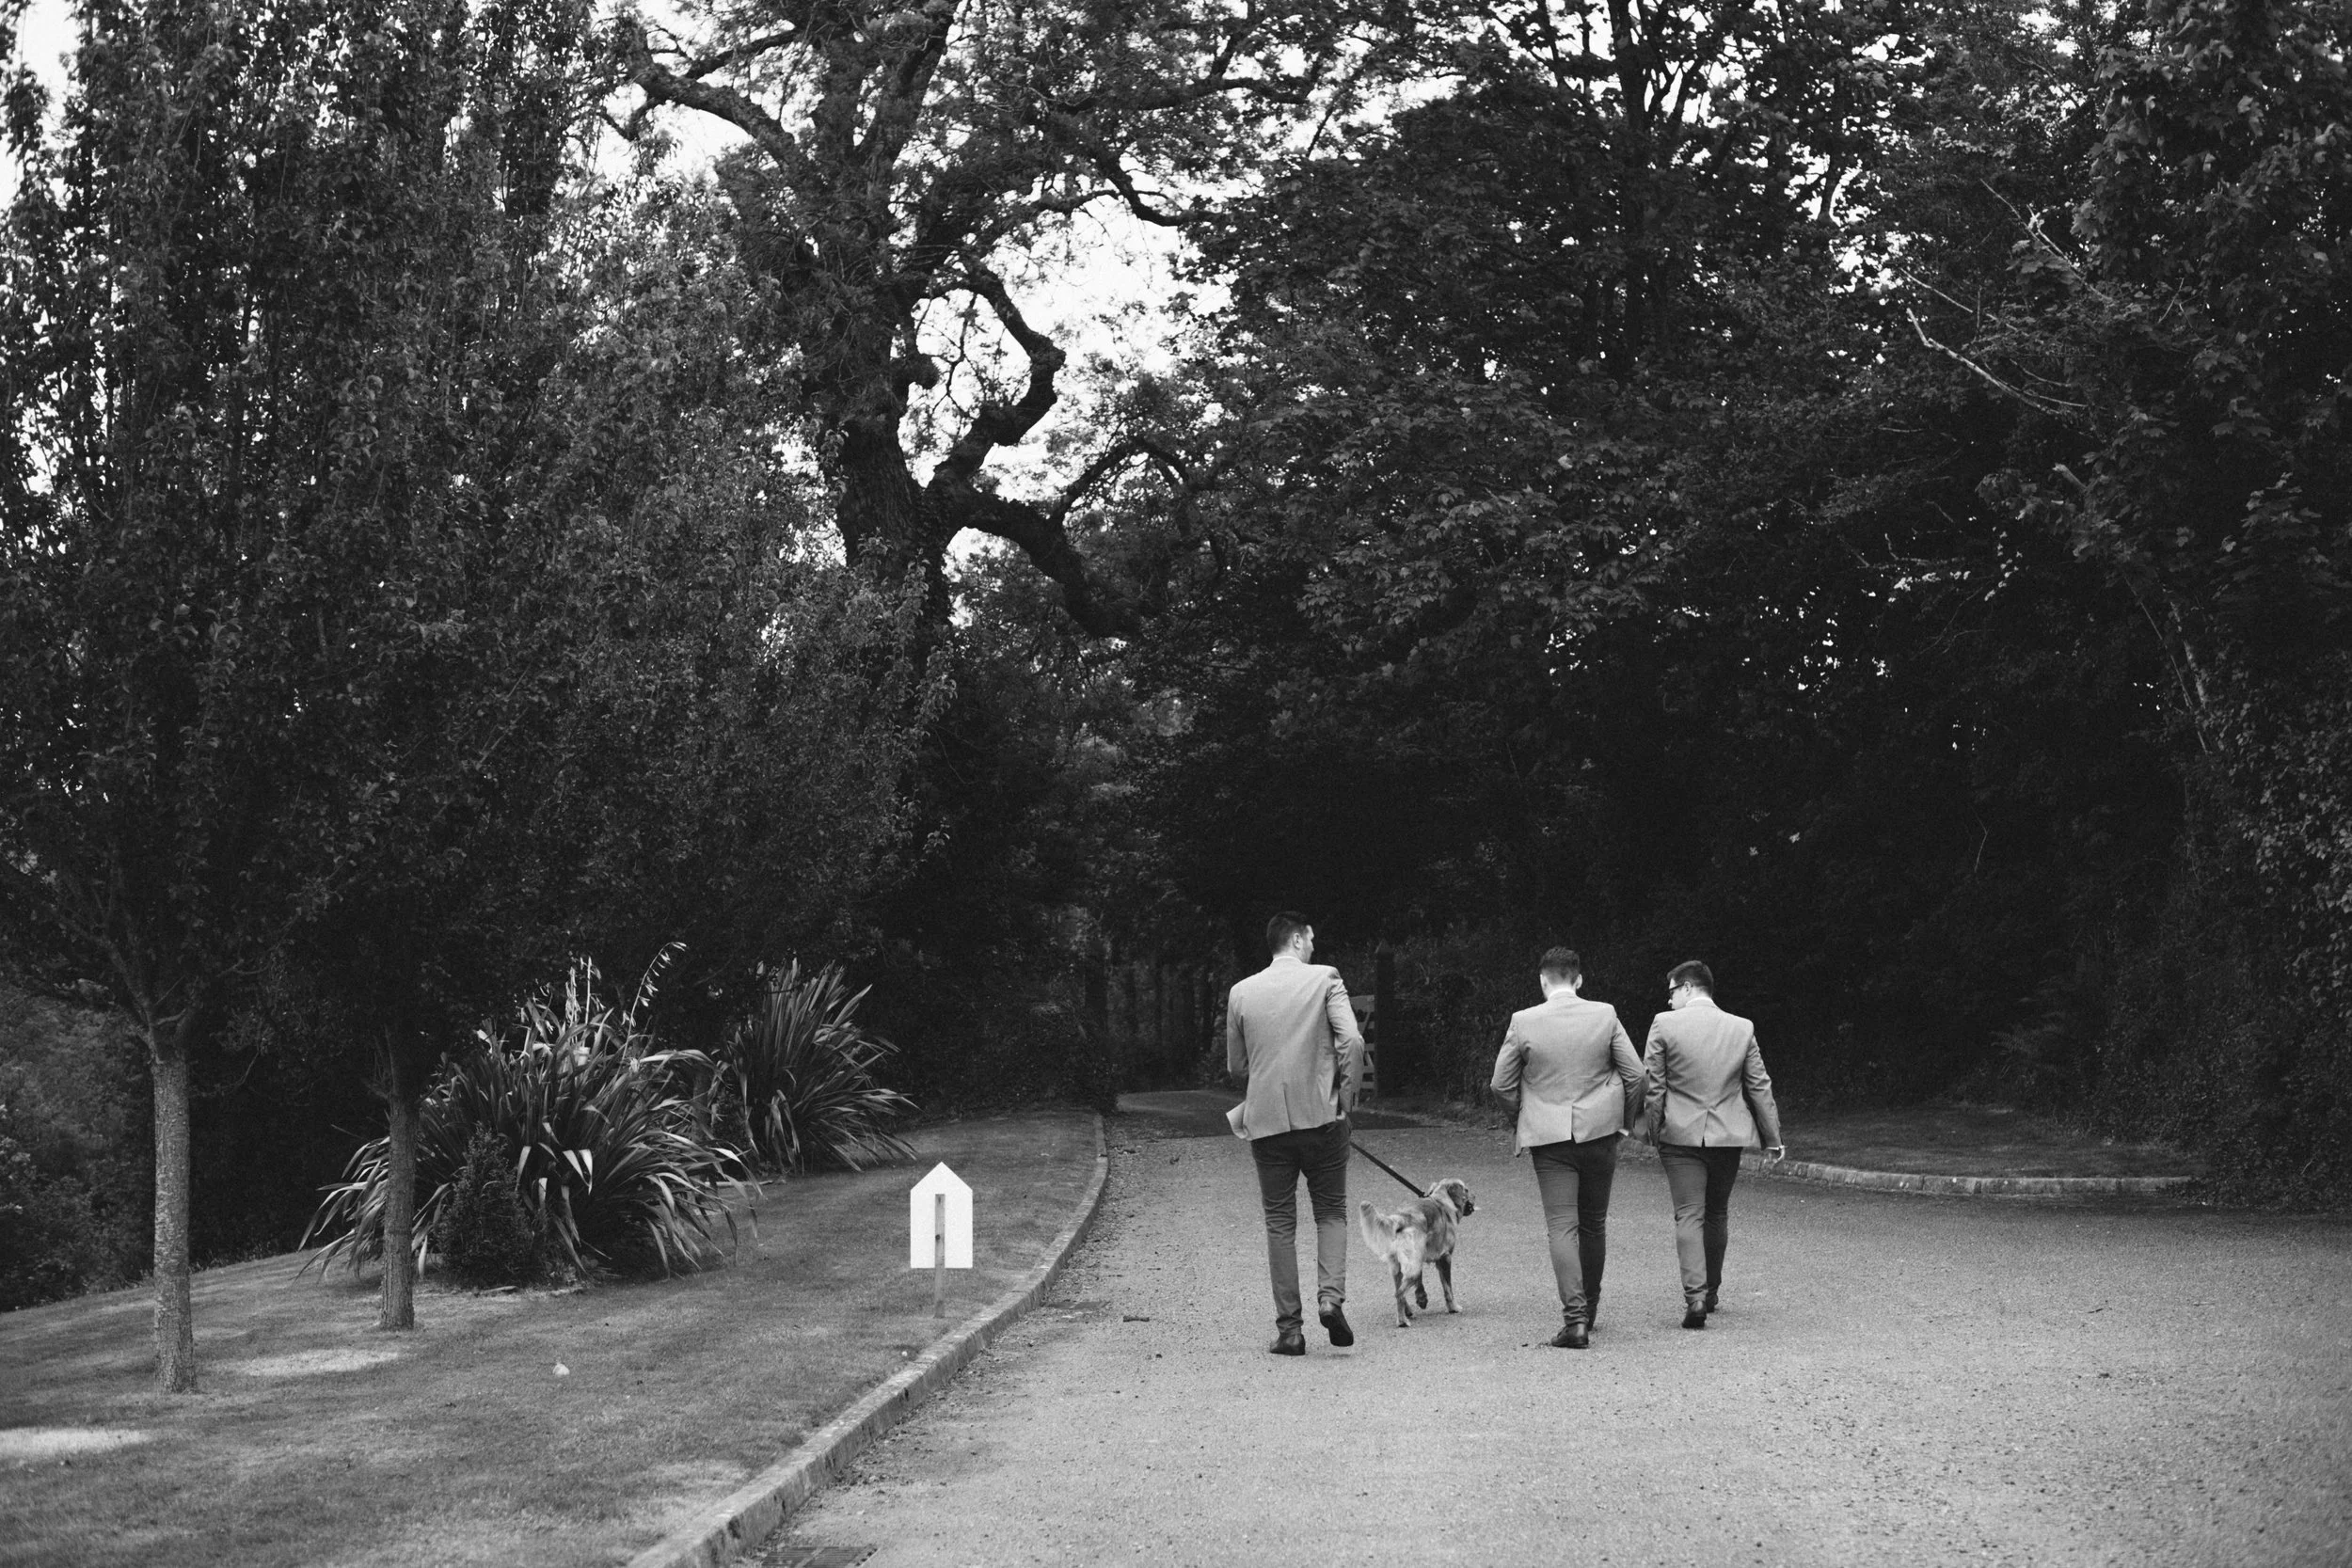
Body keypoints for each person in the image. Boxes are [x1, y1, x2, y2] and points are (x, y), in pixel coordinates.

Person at [1489, 946, 1643, 1350]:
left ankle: (1574, 1321)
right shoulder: (1604, 1014)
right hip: (1600, 1133)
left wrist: (1524, 1117)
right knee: (1593, 1223)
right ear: (1579, 979)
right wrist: (1624, 1122)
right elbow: (1637, 1075)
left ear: (1542, 980)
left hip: (1549, 1138)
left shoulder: (1524, 1021)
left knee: (1561, 1226)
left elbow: (1500, 1085)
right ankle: (1589, 1309)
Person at [1226, 911, 1364, 1355]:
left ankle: (1290, 1331)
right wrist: (1346, 1099)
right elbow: (1353, 1042)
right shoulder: (1325, 979)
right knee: (1331, 1213)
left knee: (1280, 1222)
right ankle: (1330, 1298)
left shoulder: (1241, 992)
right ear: (1300, 938)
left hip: (1267, 1124)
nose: (1314, 947)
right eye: (1312, 939)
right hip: (1323, 1118)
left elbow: (1236, 1066)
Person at [1641, 959, 1784, 1329]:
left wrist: (1653, 1131)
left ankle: (1695, 1297)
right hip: (1727, 1136)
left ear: (1688, 987)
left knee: (1689, 1214)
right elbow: (1759, 1085)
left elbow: (1654, 1087)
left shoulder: (1664, 1024)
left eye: (1672, 991)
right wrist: (1773, 1138)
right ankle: (1712, 1291)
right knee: (1717, 1213)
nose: (1669, 1000)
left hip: (1680, 1136)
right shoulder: (1741, 1027)